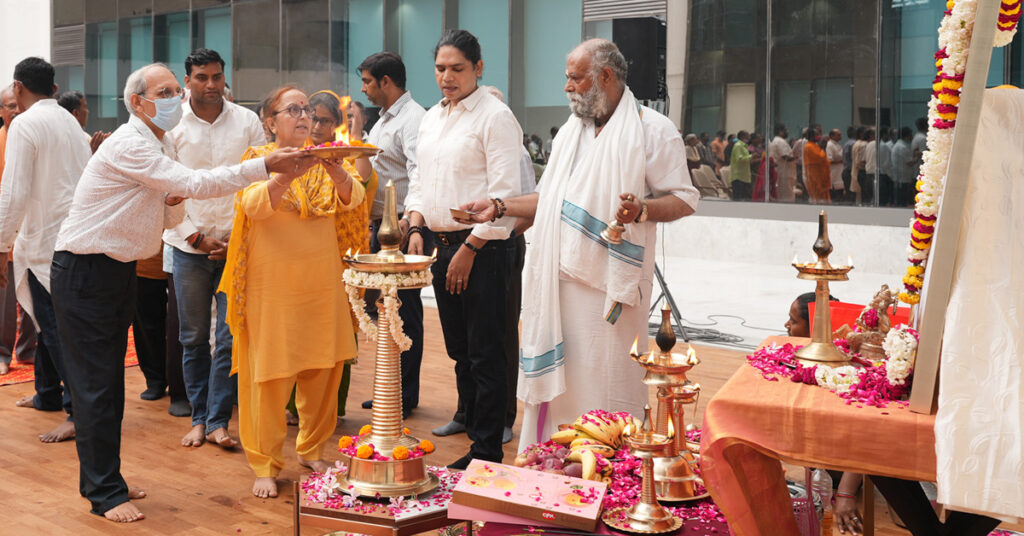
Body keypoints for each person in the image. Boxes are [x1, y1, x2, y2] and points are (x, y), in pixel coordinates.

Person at [49, 63, 309, 523]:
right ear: (138, 103)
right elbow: (196, 183)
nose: (175, 97)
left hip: (114, 270)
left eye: (174, 89)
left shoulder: (159, 141)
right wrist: (265, 164)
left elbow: (168, 213)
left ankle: (109, 479)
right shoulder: (131, 143)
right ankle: (104, 493)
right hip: (85, 273)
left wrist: (176, 212)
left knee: (108, 385)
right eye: (164, 91)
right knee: (95, 388)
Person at [456, 38, 698, 450]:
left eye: (575, 77)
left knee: (604, 387)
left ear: (605, 76)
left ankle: (608, 475)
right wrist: (497, 207)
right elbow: (550, 202)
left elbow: (684, 199)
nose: (567, 87)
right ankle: (551, 469)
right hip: (556, 285)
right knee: (560, 393)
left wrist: (642, 209)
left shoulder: (651, 130)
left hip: (609, 292)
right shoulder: (572, 132)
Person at [216, 85, 362, 500]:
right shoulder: (254, 162)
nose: (304, 117)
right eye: (292, 109)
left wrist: (333, 167)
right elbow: (254, 207)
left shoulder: (326, 160)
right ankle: (264, 462)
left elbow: (351, 202)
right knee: (270, 377)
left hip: (321, 286)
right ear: (269, 121)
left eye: (308, 111)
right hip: (272, 290)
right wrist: (284, 172)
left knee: (324, 370)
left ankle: (312, 448)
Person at [404, 29, 522, 469]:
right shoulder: (433, 117)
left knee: (486, 352)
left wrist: (471, 248)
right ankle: (472, 424)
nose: (447, 77)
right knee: (459, 349)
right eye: (440, 68)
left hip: (484, 250)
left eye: (457, 69)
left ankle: (487, 450)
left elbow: (505, 195)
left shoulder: (495, 117)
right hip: (441, 245)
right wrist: (416, 224)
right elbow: (421, 181)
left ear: (478, 68)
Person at [161, 49, 266, 449]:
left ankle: (220, 420)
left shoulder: (247, 122)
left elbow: (257, 184)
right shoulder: (170, 127)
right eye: (201, 77)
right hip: (188, 247)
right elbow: (166, 188)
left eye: (216, 77)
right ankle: (198, 418)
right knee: (192, 337)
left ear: (225, 78)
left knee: (228, 337)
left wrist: (237, 240)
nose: (210, 85)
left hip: (236, 248)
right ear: (187, 81)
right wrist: (194, 237)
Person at [0, 58, 90, 443]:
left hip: (45, 244)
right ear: (53, 89)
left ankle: (76, 412)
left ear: (18, 88)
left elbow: (13, 193)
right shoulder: (68, 120)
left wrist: (1, 243)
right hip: (70, 238)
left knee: (54, 330)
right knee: (45, 324)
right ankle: (48, 394)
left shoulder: (25, 123)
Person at [355, 51, 430, 421]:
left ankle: (405, 393)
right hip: (381, 227)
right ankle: (392, 386)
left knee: (406, 312)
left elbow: (419, 174)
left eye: (368, 81)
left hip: (402, 227)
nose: (364, 88)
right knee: (385, 311)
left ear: (386, 82)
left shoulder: (414, 119)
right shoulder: (382, 120)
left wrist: (408, 222)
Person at [802, 128, 830, 204]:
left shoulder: (815, 146)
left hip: (821, 177)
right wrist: (823, 148)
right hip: (815, 177)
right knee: (817, 199)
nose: (819, 136)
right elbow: (820, 157)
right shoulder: (808, 147)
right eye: (817, 135)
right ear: (811, 136)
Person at [770, 124, 796, 202]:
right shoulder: (779, 141)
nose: (787, 132)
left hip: (784, 172)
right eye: (785, 130)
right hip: (784, 173)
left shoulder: (778, 140)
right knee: (786, 197)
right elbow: (785, 157)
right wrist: (797, 157)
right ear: (780, 132)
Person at [892, 127, 915, 206]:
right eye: (911, 134)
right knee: (902, 201)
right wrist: (919, 156)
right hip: (903, 178)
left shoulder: (900, 145)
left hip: (901, 177)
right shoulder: (902, 147)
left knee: (901, 200)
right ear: (907, 135)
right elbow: (910, 163)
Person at [729, 130, 752, 200]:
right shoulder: (738, 146)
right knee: (738, 199)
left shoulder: (744, 146)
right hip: (738, 177)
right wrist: (751, 156)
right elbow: (739, 159)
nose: (749, 137)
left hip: (744, 176)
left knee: (745, 199)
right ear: (742, 136)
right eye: (747, 135)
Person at [826, 128, 845, 202]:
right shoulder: (830, 145)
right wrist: (840, 161)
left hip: (839, 174)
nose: (841, 136)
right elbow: (829, 160)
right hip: (834, 174)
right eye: (838, 135)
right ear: (832, 136)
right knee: (835, 197)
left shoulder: (837, 145)